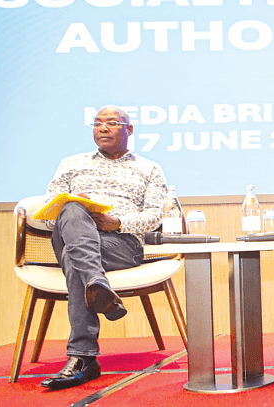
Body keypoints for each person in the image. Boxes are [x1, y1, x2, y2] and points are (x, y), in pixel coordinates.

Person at [40, 106, 167, 390]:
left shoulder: (149, 168)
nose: (103, 128)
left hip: (120, 243)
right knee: (71, 207)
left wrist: (117, 222)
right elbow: (49, 212)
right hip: (72, 235)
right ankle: (97, 286)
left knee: (76, 260)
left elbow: (154, 216)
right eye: (97, 123)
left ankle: (83, 358)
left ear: (129, 130)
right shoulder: (71, 163)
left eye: (111, 123)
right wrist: (73, 206)